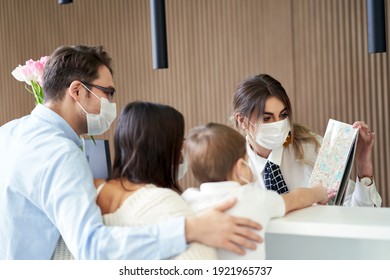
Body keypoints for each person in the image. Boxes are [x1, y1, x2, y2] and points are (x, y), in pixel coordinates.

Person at [0, 45, 262, 260]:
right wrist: (188, 229)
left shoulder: (7, 133)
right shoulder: (62, 155)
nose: (113, 104)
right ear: (77, 91)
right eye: (108, 94)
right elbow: (91, 247)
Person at [54, 101, 217, 259]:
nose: (183, 148)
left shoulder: (83, 193)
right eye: (180, 140)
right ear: (163, 149)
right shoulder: (164, 202)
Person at [182, 122, 329, 259]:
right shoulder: (254, 198)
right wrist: (319, 192)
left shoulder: (187, 200)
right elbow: (296, 198)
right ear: (241, 167)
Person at [232, 73, 382, 207]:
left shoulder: (311, 147)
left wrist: (364, 166)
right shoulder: (232, 167)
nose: (278, 124)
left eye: (283, 115)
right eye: (267, 118)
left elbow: (357, 211)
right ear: (242, 120)